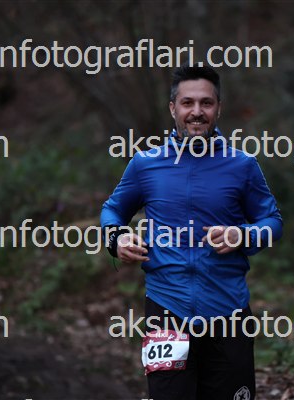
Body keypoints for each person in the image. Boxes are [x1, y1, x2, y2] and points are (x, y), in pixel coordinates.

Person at [100, 64, 283, 400]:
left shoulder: (242, 165)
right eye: (187, 103)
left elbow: (272, 222)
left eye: (206, 103)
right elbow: (112, 210)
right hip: (166, 310)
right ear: (173, 108)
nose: (196, 112)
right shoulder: (146, 164)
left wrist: (243, 235)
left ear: (218, 108)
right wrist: (117, 238)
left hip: (228, 312)